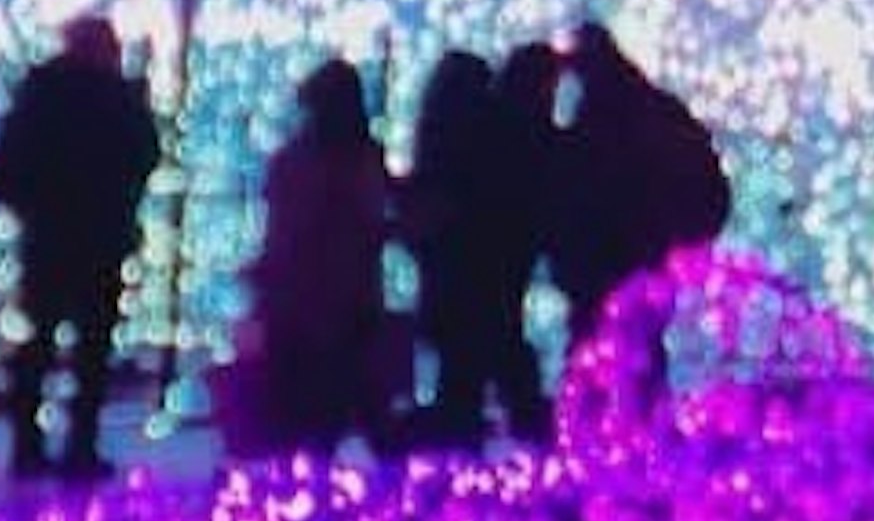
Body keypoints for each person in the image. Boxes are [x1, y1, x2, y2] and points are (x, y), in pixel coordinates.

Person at [0, 13, 159, 481]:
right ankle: (80, 445)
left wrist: (34, 205)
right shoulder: (116, 97)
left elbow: (6, 165)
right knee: (91, 349)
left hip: (49, 234)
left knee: (38, 342)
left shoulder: (41, 93)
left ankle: (27, 445)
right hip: (100, 235)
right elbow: (144, 155)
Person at [239, 57, 398, 460]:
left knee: (298, 406)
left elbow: (285, 232)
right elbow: (374, 219)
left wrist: (265, 278)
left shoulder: (295, 160)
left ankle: (299, 483)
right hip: (353, 293)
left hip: (301, 296)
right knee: (354, 397)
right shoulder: (365, 158)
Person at [400, 45, 553, 449]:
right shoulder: (503, 137)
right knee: (499, 359)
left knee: (465, 372)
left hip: (455, 274)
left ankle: (458, 450)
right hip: (494, 270)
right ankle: (528, 440)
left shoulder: (440, 142)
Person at [543, 23, 732, 349]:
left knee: (601, 358)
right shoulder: (656, 110)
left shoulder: (598, 122)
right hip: (646, 262)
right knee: (639, 358)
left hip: (614, 262)